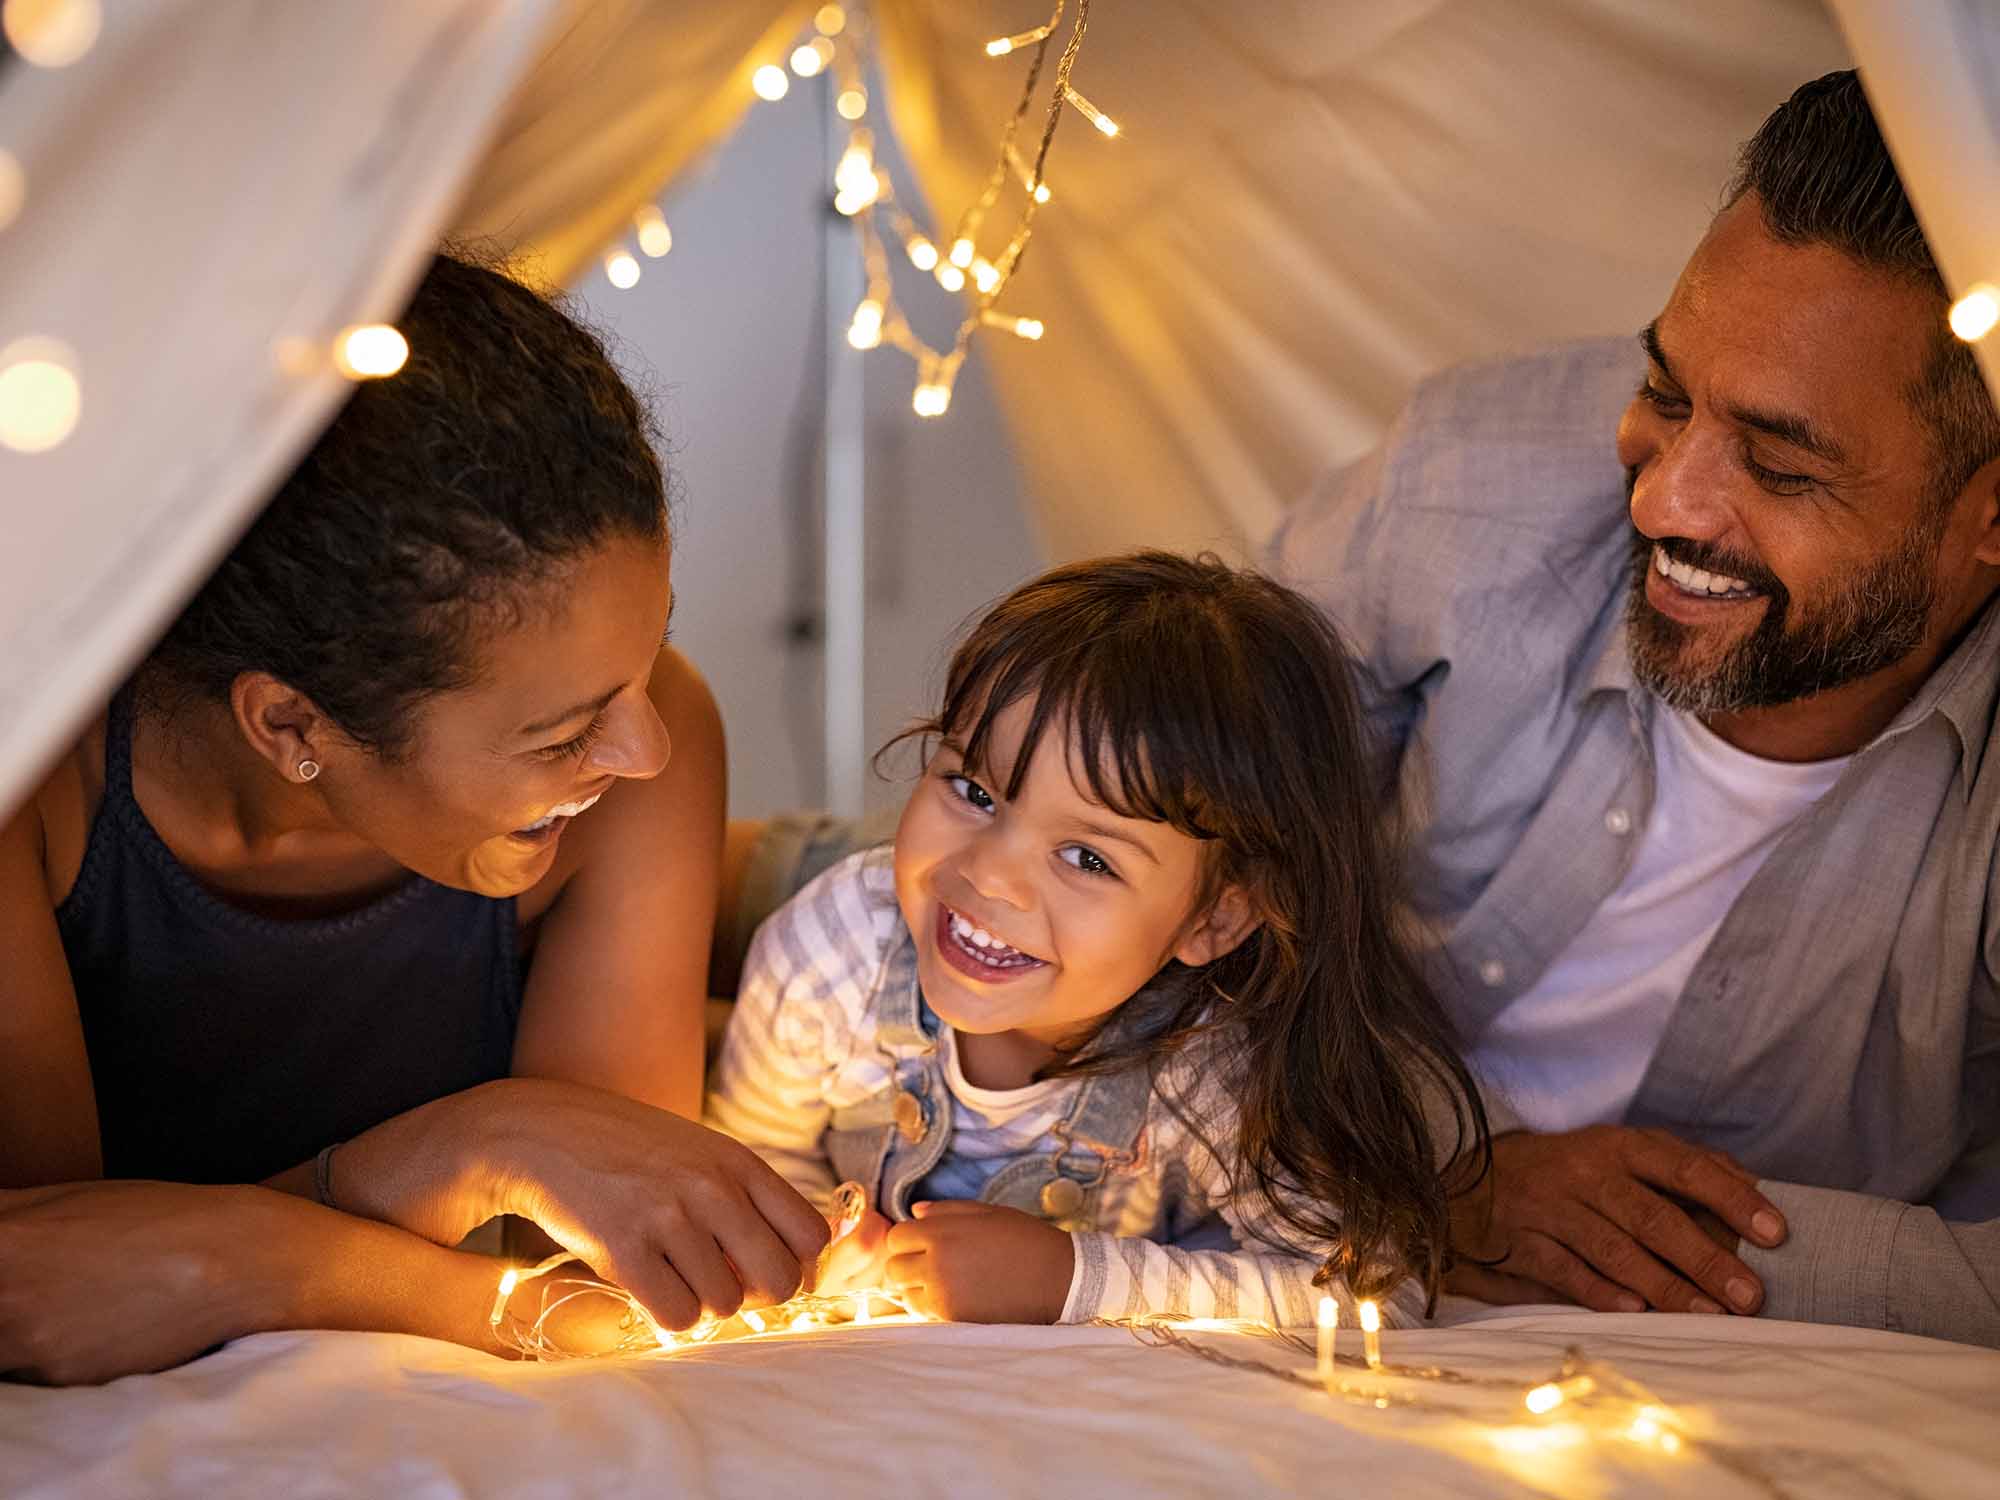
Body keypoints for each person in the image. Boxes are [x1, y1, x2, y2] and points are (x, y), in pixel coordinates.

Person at [0, 254, 826, 1385]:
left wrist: (240, 1254)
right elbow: (46, 1291)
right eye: (561, 731)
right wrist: (460, 1149)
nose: (647, 749)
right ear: (293, 726)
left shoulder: (644, 766)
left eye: (649, 653)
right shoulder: (35, 784)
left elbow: (612, 1291)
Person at [1267, 70, 2000, 1344]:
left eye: (1775, 464)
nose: (1664, 498)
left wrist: (1675, 1253)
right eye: (1663, 391)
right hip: (1300, 1242)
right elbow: (1157, 850)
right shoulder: (1465, 475)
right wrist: (1445, 1175)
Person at [706, 552, 1489, 1327]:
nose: (992, 877)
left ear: (1213, 918)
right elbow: (755, 1168)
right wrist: (817, 1244)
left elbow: (1375, 1290)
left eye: (1087, 858)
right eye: (975, 791)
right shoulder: (833, 949)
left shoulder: (1214, 1058)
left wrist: (1074, 1279)